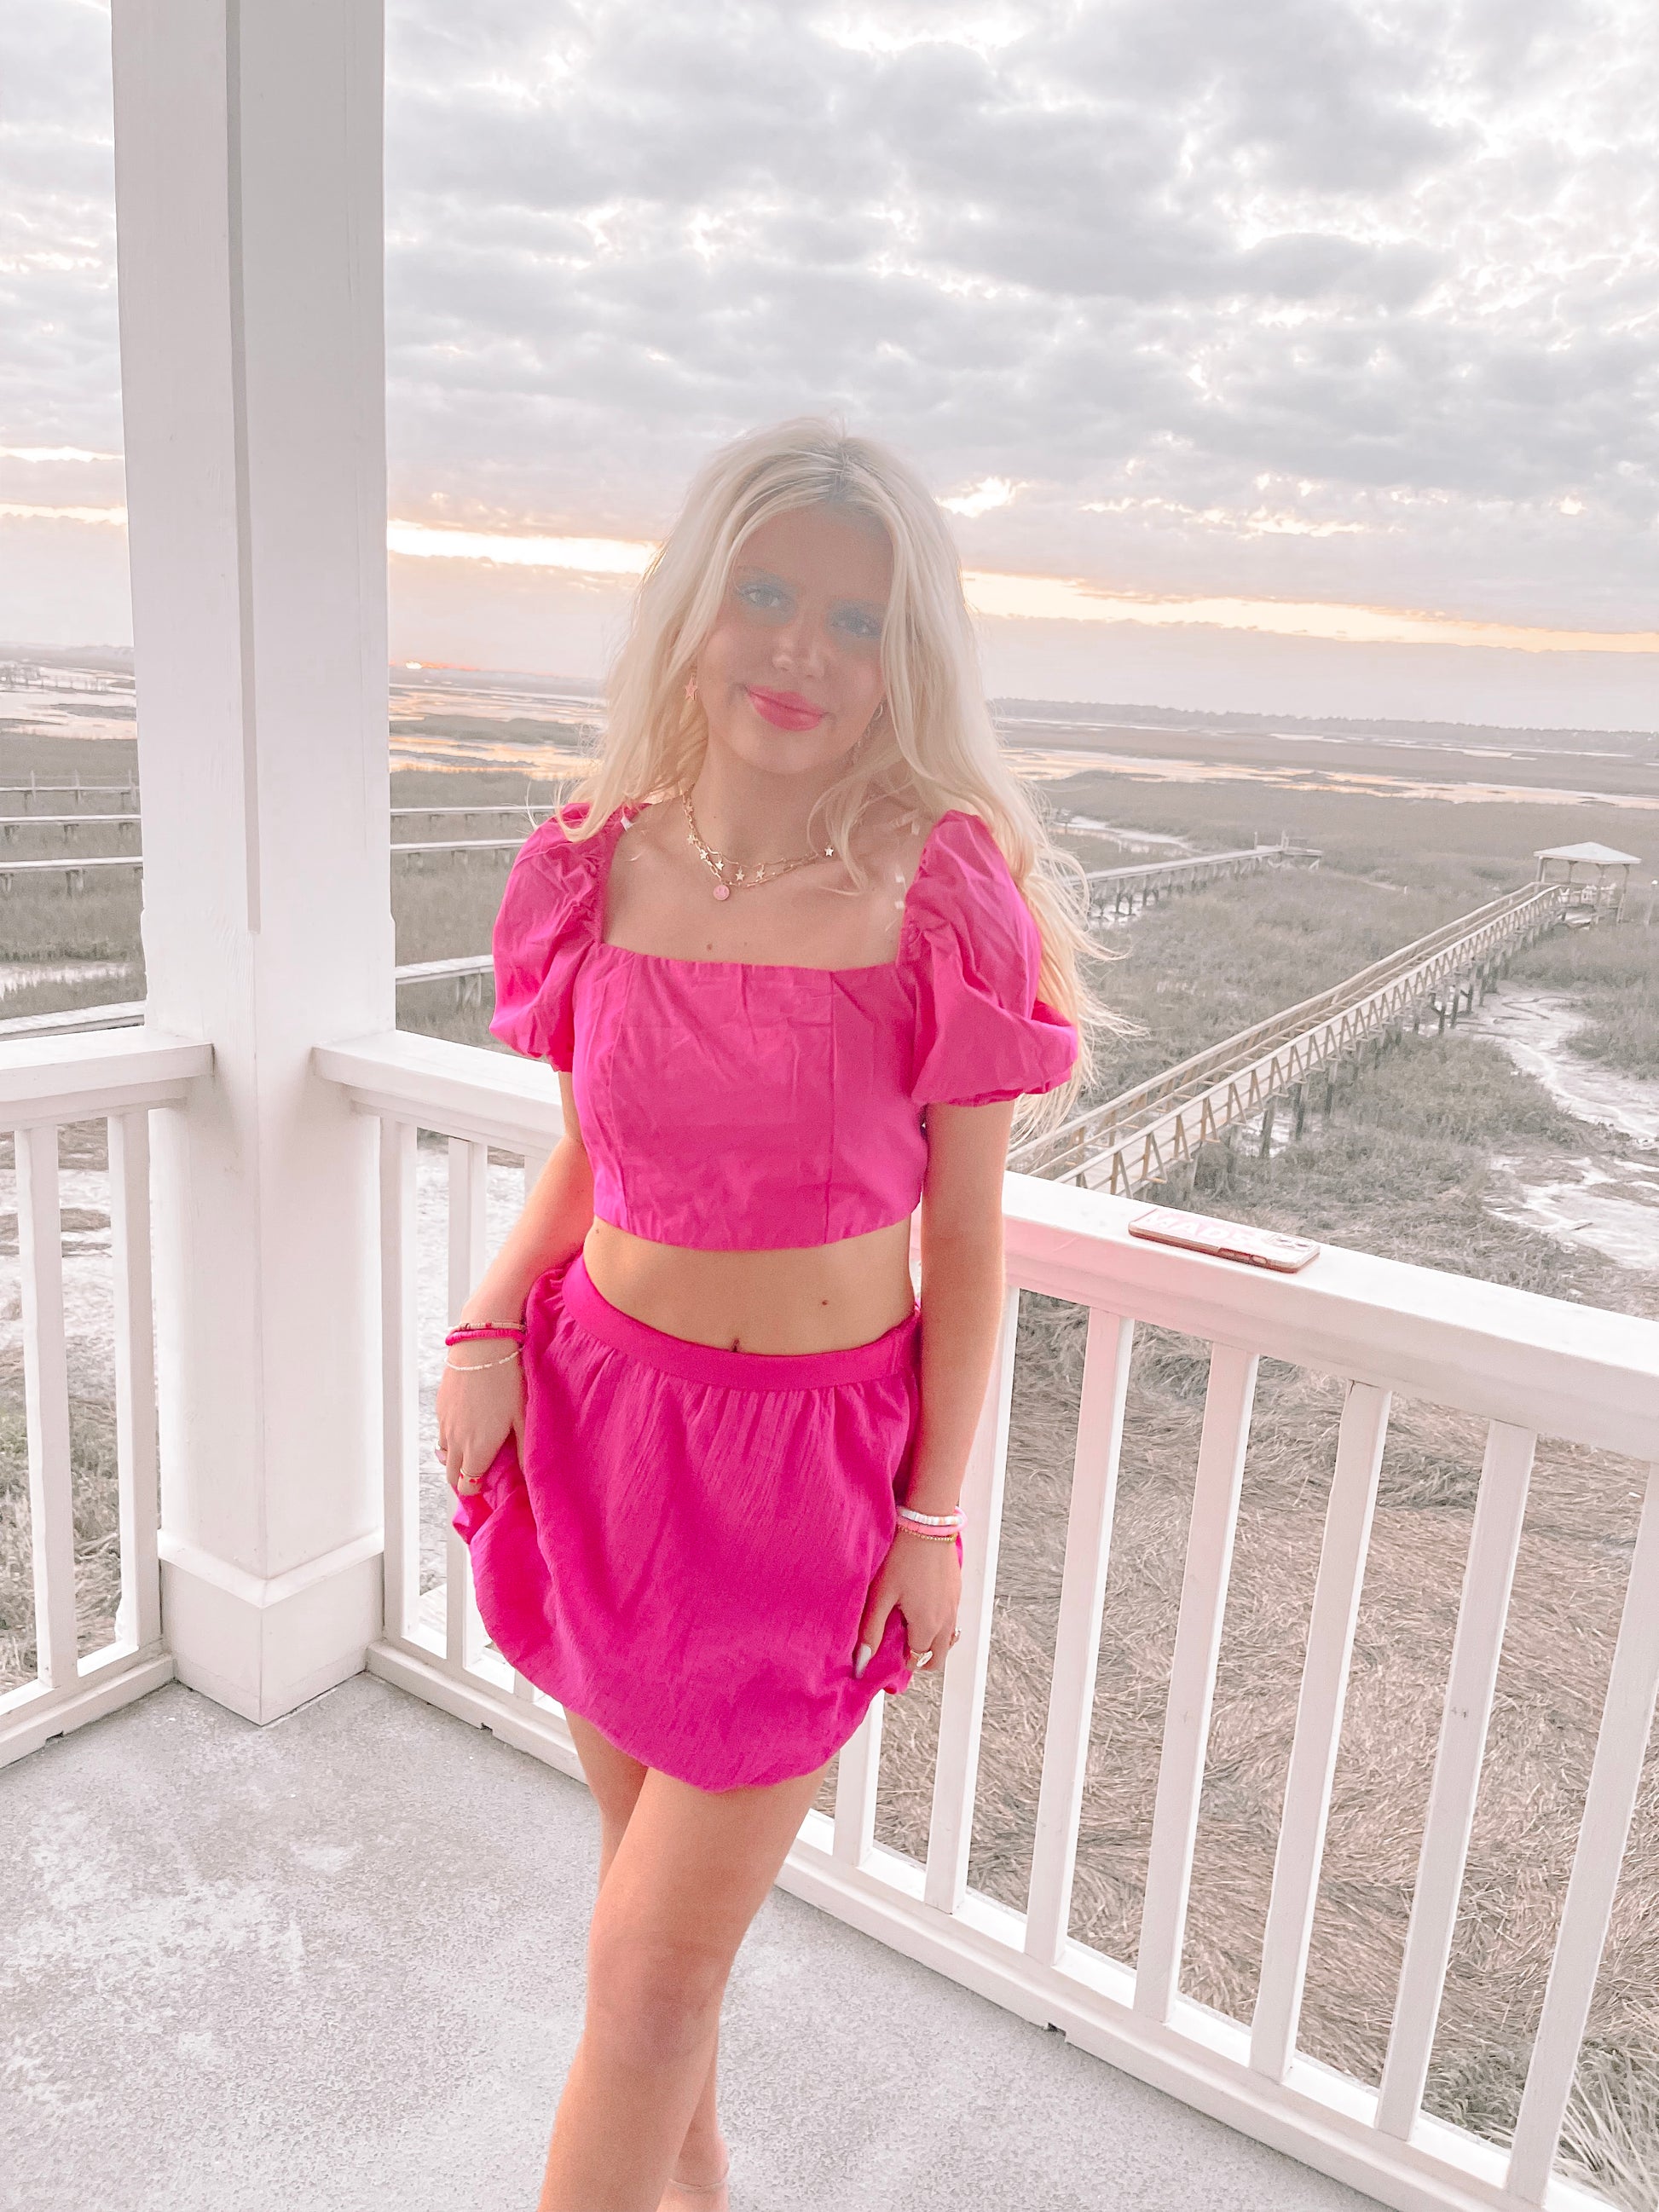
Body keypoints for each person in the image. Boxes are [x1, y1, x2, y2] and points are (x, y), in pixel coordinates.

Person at [436, 419, 1102, 2212]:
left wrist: (933, 1510)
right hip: (600, 1427)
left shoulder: (941, 890)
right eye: (768, 595)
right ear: (697, 608)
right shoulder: (592, 862)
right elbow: (585, 1151)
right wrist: (485, 1328)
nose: (803, 650)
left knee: (649, 1969)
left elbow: (966, 1244)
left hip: (806, 1481)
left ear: (910, 660)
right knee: (648, 1941)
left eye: (858, 620)